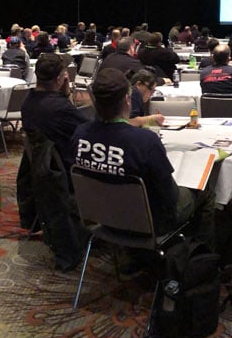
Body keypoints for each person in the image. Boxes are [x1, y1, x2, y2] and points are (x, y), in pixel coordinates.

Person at [72, 68, 215, 239]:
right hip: (149, 221)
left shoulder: (79, 134)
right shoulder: (145, 141)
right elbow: (169, 196)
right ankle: (197, 253)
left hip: (100, 215)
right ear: (127, 100)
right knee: (204, 189)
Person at [21, 54, 93, 167]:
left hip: (40, 164)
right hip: (61, 167)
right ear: (60, 78)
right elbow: (88, 130)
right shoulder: (61, 107)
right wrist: (67, 93)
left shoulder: (27, 101)